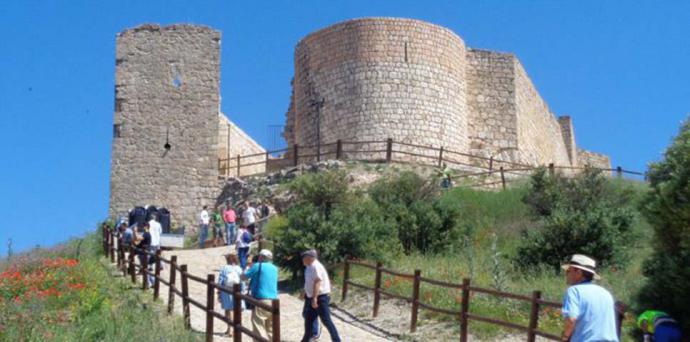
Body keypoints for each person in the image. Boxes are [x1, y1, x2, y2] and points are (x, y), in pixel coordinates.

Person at [561, 254, 618, 342]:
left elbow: (571, 319)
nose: (566, 274)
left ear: (579, 272)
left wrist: (565, 338)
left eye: (569, 270)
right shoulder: (606, 293)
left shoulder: (574, 291)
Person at [301, 249, 341, 342]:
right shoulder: (308, 266)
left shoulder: (316, 266)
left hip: (320, 297)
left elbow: (317, 282)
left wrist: (315, 298)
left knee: (326, 320)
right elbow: (309, 282)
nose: (302, 259)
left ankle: (337, 340)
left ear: (310, 258)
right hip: (311, 297)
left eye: (304, 257)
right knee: (308, 319)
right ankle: (306, 339)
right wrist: (304, 292)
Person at [242, 249, 279, 341]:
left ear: (261, 257)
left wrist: (245, 268)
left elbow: (244, 277)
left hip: (261, 299)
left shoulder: (257, 266)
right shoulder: (275, 268)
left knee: (259, 326)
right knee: (270, 328)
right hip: (273, 300)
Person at [218, 251, 244, 336]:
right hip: (237, 290)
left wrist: (219, 291)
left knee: (228, 310)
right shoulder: (239, 268)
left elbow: (221, 281)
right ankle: (236, 328)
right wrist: (242, 290)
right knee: (236, 310)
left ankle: (230, 329)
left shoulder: (224, 268)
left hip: (226, 290)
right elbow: (242, 281)